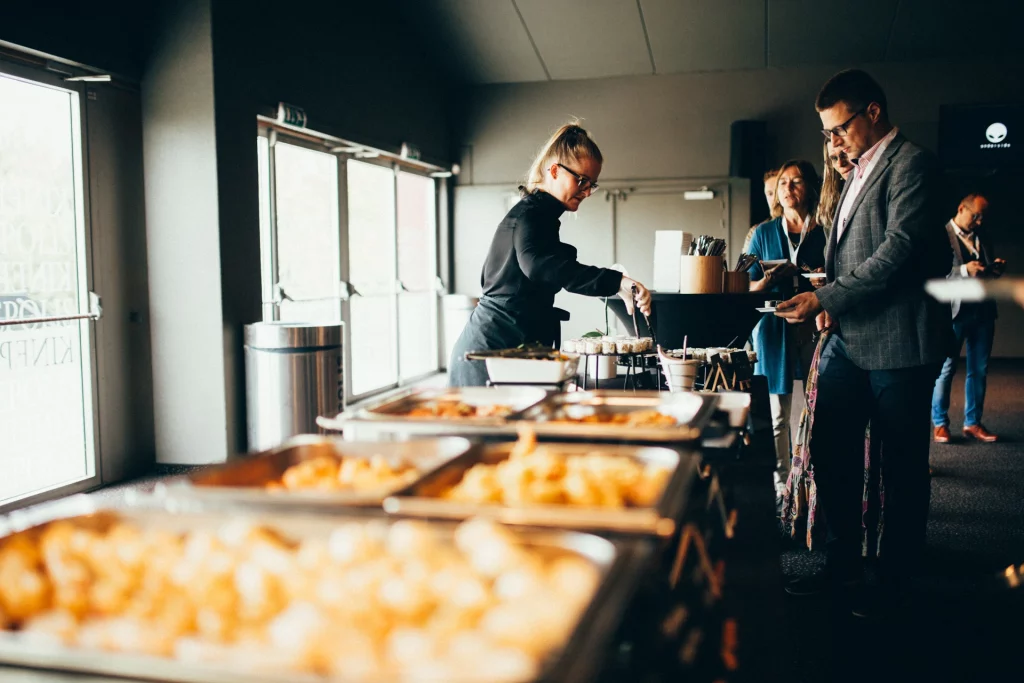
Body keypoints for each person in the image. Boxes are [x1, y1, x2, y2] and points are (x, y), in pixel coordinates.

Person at [776, 69, 953, 608]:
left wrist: (826, 299)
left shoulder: (913, 164)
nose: (832, 141)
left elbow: (897, 253)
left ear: (873, 112)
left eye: (840, 128)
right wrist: (830, 297)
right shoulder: (852, 173)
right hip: (850, 344)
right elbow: (851, 254)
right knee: (830, 448)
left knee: (901, 470)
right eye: (827, 132)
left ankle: (895, 584)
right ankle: (842, 562)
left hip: (902, 344)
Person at [448, 122, 652, 386]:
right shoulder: (530, 215)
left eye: (592, 184)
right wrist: (617, 281)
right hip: (489, 353)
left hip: (510, 348)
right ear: (554, 170)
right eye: (581, 180)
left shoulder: (540, 216)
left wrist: (616, 285)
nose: (587, 191)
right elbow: (542, 266)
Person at [746, 160, 827, 497]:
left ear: (809, 187)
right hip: (773, 326)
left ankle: (815, 479)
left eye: (796, 182)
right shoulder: (763, 234)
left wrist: (824, 279)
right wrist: (765, 280)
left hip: (816, 324)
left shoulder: (825, 229)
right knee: (778, 414)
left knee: (819, 408)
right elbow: (743, 287)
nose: (789, 189)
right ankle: (783, 486)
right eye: (783, 184)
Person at [932, 193, 1005, 443]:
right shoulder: (940, 235)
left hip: (983, 311)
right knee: (945, 369)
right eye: (976, 215)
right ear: (961, 208)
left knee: (979, 370)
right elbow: (934, 272)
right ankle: (940, 423)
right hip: (954, 312)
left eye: (983, 217)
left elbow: (982, 270)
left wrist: (993, 269)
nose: (980, 221)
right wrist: (964, 270)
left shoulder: (983, 236)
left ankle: (972, 423)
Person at [741, 169, 781, 253]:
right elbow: (745, 265)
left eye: (777, 192)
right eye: (770, 194)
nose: (774, 198)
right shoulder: (756, 231)